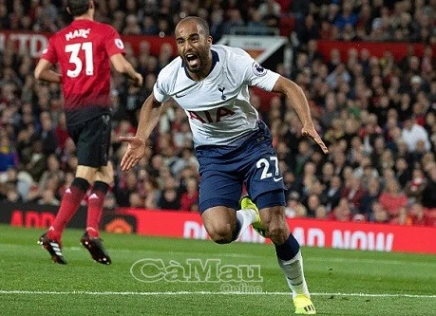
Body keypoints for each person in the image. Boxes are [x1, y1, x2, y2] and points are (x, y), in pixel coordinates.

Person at [120, 16, 327, 315]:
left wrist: (306, 121)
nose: (187, 46)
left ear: (208, 41)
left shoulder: (235, 62)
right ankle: (249, 213)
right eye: (180, 41)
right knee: (220, 231)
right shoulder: (170, 76)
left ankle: (301, 295)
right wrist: (141, 136)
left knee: (277, 227)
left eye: (193, 39)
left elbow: (287, 86)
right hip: (213, 156)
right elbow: (153, 102)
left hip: (252, 145)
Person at [34, 0, 143, 265]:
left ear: (70, 10)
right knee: (85, 172)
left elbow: (39, 72)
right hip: (96, 112)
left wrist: (66, 78)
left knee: (104, 172)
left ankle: (92, 231)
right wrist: (135, 76)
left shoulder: (59, 37)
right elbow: (119, 65)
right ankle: (54, 232)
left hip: (72, 114)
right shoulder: (104, 32)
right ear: (92, 5)